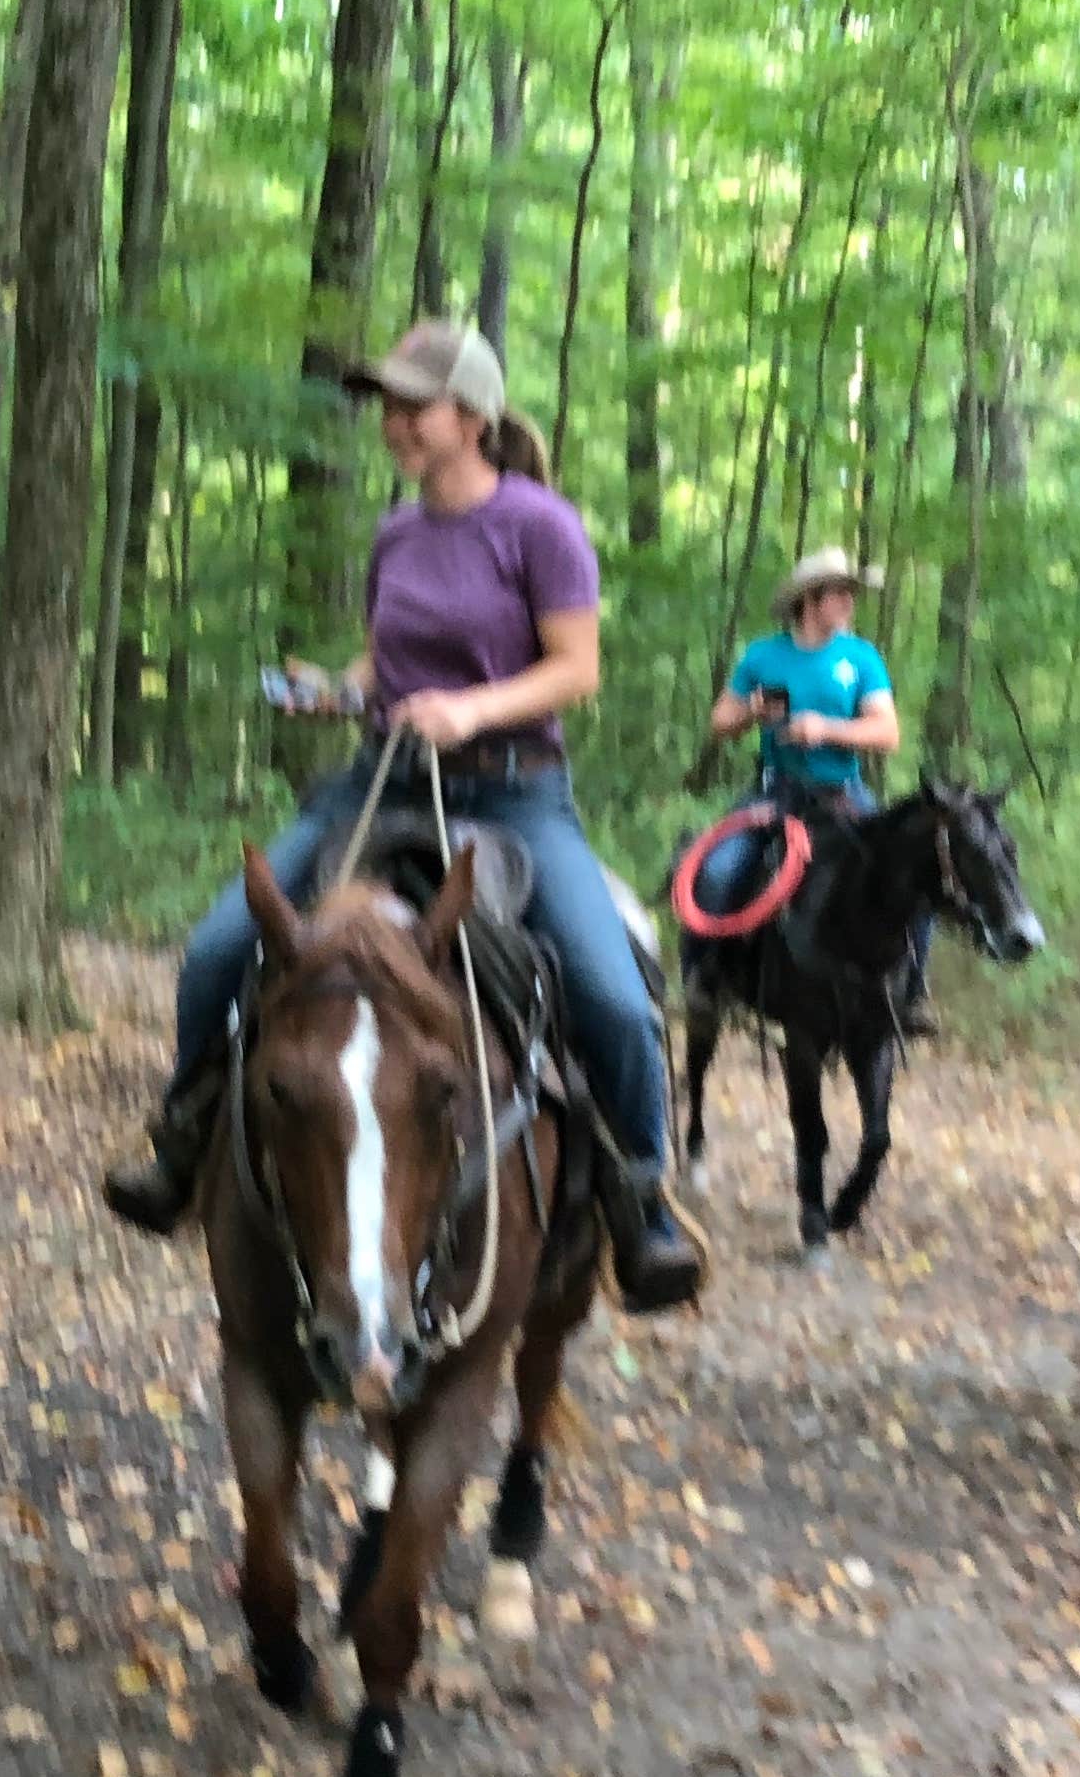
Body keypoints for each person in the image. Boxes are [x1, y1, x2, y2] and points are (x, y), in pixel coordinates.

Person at [99, 316, 704, 1312]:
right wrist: (338, 688)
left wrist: (471, 706)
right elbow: (385, 663)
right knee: (216, 949)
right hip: (379, 781)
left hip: (513, 795)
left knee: (613, 992)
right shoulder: (397, 533)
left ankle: (642, 1207)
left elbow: (576, 669)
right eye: (388, 405)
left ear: (472, 416)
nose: (395, 422)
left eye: (412, 405)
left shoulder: (540, 527)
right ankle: (180, 1145)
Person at [698, 550, 927, 1024]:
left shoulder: (861, 658)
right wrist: (752, 713)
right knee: (717, 872)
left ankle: (912, 995)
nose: (849, 601)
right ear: (810, 599)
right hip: (774, 794)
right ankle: (709, 980)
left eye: (850, 593)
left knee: (914, 879)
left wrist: (825, 728)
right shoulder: (762, 655)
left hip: (842, 795)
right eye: (841, 592)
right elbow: (720, 721)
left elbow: (887, 733)